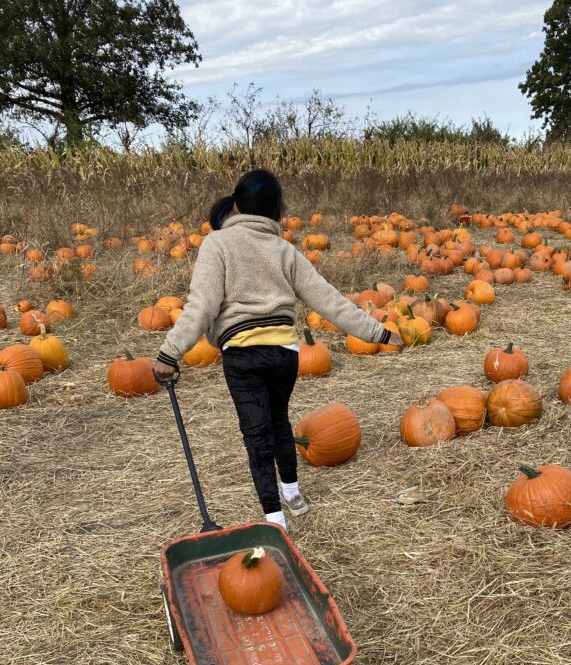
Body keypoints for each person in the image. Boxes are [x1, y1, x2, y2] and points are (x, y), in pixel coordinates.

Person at [151, 169, 400, 532]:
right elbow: (327, 299)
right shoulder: (284, 250)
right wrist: (378, 332)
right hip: (285, 352)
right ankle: (293, 495)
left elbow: (201, 304)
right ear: (276, 210)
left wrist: (169, 353)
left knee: (256, 435)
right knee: (280, 421)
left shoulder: (217, 244)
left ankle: (274, 519)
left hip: (243, 355)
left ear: (237, 204)